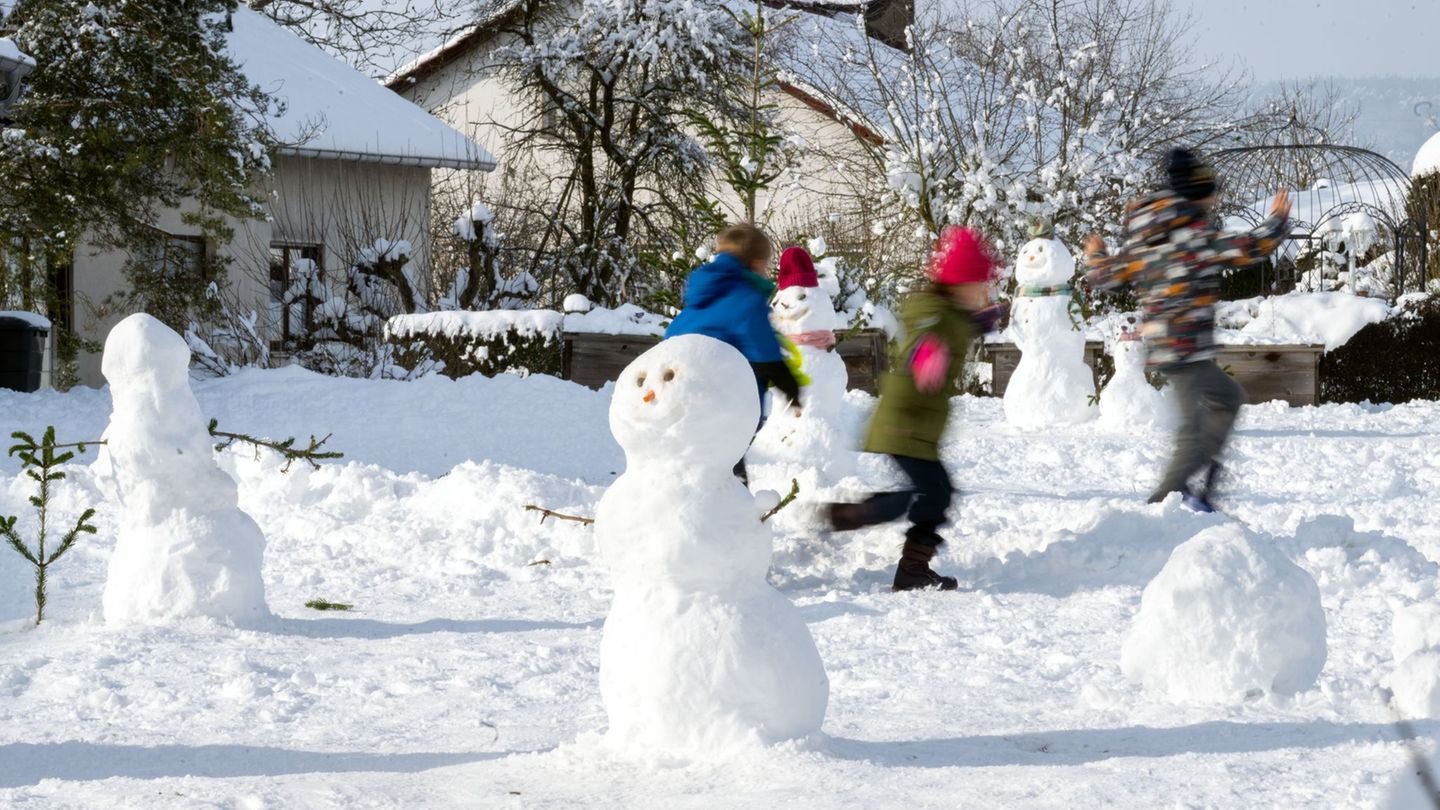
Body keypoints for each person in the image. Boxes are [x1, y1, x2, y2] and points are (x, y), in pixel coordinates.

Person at [1084, 148, 1292, 512]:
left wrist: (1096, 255)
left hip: (1173, 348)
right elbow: (1247, 248)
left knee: (1226, 398)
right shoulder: (1193, 236)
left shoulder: (1147, 238)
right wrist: (1276, 220)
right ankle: (1163, 502)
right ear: (1198, 194)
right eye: (1211, 193)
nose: (1215, 201)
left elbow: (1108, 275)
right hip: (1187, 349)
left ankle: (1199, 477)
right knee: (1193, 433)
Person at [825, 226, 1006, 592]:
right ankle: (866, 519)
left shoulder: (948, 313)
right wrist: (927, 357)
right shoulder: (935, 316)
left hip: (915, 428)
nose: (984, 293)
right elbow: (923, 339)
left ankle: (910, 567)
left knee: (935, 493)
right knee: (932, 494)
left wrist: (978, 323)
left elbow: (952, 327)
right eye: (979, 286)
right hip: (905, 426)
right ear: (958, 284)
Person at [665, 223, 802, 483]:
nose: (766, 269)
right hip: (721, 408)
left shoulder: (696, 305)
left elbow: (670, 341)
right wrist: (792, 388)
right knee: (728, 475)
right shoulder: (745, 300)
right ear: (754, 263)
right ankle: (733, 517)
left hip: (677, 403)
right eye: (764, 262)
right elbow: (766, 355)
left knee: (693, 471)